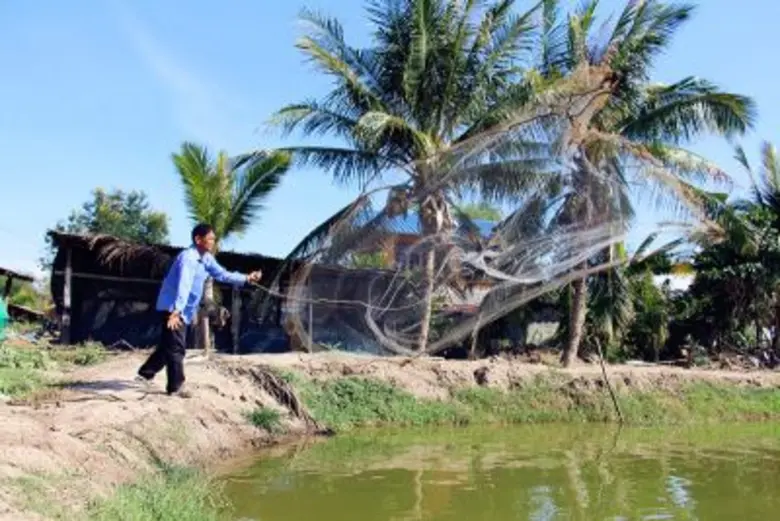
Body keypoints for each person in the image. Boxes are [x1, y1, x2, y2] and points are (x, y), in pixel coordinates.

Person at [136, 223, 262, 397]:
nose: (213, 242)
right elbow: (184, 286)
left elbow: (223, 274)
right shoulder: (188, 258)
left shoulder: (206, 258)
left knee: (169, 345)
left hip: (183, 309)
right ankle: (176, 387)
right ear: (198, 239)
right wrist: (176, 311)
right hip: (172, 308)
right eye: (210, 238)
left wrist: (246, 278)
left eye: (213, 239)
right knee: (177, 348)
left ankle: (145, 373)